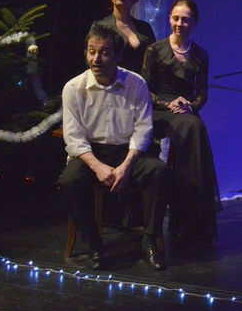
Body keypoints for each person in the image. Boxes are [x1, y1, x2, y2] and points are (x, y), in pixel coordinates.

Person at [58, 25, 169, 271]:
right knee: (69, 181)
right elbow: (74, 138)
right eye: (91, 51)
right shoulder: (73, 88)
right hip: (91, 154)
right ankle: (94, 245)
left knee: (158, 172)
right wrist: (97, 166)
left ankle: (149, 241)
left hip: (128, 152)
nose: (96, 59)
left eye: (104, 52)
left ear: (118, 56)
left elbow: (143, 129)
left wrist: (126, 166)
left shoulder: (136, 84)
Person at [141, 0, 220, 242]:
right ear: (169, 19)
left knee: (195, 127)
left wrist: (190, 105)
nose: (179, 23)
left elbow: (202, 94)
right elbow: (144, 90)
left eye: (185, 19)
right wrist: (168, 104)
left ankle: (192, 217)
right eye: (175, 18)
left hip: (185, 110)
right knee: (192, 126)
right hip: (159, 108)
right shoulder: (155, 50)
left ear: (193, 22)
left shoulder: (201, 54)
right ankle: (182, 215)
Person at [92, 0, 156, 74]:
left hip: (141, 82)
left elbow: (155, 60)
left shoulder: (145, 28)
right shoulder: (100, 26)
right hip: (112, 81)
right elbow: (92, 58)